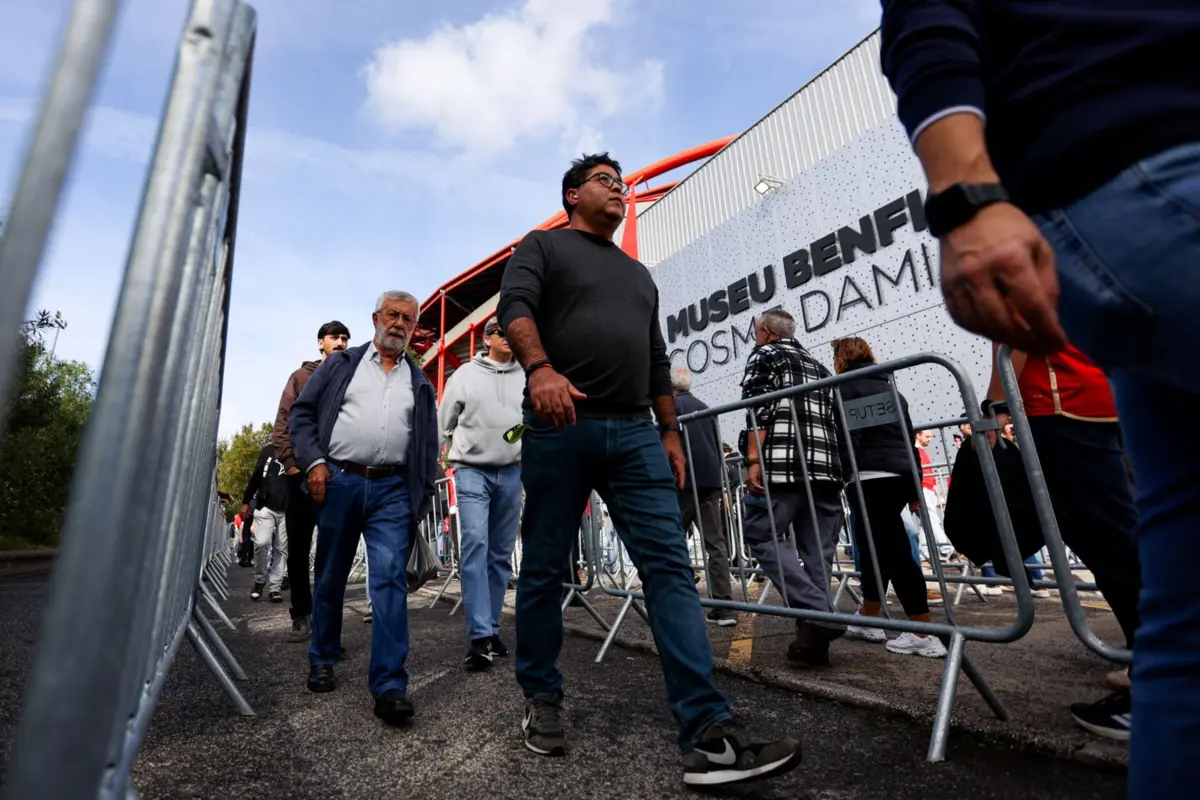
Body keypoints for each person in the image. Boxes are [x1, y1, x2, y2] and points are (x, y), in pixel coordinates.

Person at [881, 4, 1200, 792]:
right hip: (1142, 165)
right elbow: (927, 17)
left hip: (1094, 360)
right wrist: (963, 195)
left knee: (1179, 604)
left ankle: (1136, 669)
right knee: (1121, 541)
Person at [498, 152, 800, 787]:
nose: (621, 191)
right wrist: (541, 370)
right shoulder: (542, 248)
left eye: (624, 184)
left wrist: (669, 429)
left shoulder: (639, 275)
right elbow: (514, 308)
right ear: (573, 194)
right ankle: (542, 699)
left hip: (637, 432)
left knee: (668, 567)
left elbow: (657, 357)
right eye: (608, 182)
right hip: (561, 424)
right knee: (547, 567)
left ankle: (707, 734)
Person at [289, 291, 438, 727]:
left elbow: (426, 444)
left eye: (408, 319)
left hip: (392, 488)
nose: (399, 323)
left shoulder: (419, 379)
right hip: (339, 480)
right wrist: (314, 462)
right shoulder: (342, 364)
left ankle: (390, 684)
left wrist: (421, 495)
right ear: (376, 318)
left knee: (390, 579)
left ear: (413, 328)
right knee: (332, 573)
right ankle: (322, 657)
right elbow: (302, 414)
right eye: (392, 315)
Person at [986, 342, 1141, 736]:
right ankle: (1150, 660)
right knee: (1112, 536)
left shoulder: (1027, 277)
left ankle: (1163, 681)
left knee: (1110, 542)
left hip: (1061, 404)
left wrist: (994, 404)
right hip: (1095, 401)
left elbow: (1014, 329)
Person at [739, 307, 846, 668]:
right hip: (826, 471)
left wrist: (754, 458)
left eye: (756, 332)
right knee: (818, 553)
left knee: (761, 533)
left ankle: (821, 613)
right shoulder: (819, 366)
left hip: (785, 466)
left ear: (765, 332)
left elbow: (758, 407)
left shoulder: (765, 355)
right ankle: (813, 643)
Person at [832, 337, 946, 659]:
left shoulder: (847, 388)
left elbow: (850, 438)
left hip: (869, 476)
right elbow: (907, 439)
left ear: (841, 359)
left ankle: (923, 631)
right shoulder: (891, 389)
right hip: (898, 476)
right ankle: (868, 616)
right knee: (875, 548)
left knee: (893, 551)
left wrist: (840, 475)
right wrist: (913, 486)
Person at [438, 316, 525, 671]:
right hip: (472, 470)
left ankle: (491, 629)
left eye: (513, 332)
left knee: (501, 554)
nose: (508, 337)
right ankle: (478, 637)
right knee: (475, 544)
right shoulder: (464, 376)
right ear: (488, 338)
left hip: (513, 470)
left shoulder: (527, 374)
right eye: (501, 332)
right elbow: (445, 421)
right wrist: (451, 455)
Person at [272, 320, 350, 642]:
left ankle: (325, 624)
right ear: (321, 343)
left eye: (346, 338)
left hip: (337, 478)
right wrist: (292, 466)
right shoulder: (301, 377)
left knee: (331, 553)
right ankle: (301, 615)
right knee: (300, 548)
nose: (341, 343)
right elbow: (282, 426)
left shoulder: (353, 379)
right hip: (301, 478)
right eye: (335, 337)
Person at [671, 365, 737, 627]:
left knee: (673, 542)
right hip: (709, 482)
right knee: (715, 543)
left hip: (682, 481)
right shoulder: (706, 407)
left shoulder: (671, 410)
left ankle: (680, 602)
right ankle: (723, 606)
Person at [240, 442, 290, 603]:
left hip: (288, 508)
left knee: (281, 548)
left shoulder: (299, 448)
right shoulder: (268, 450)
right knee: (261, 543)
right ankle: (259, 581)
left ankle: (275, 587)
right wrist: (246, 501)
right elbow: (256, 476)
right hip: (265, 505)